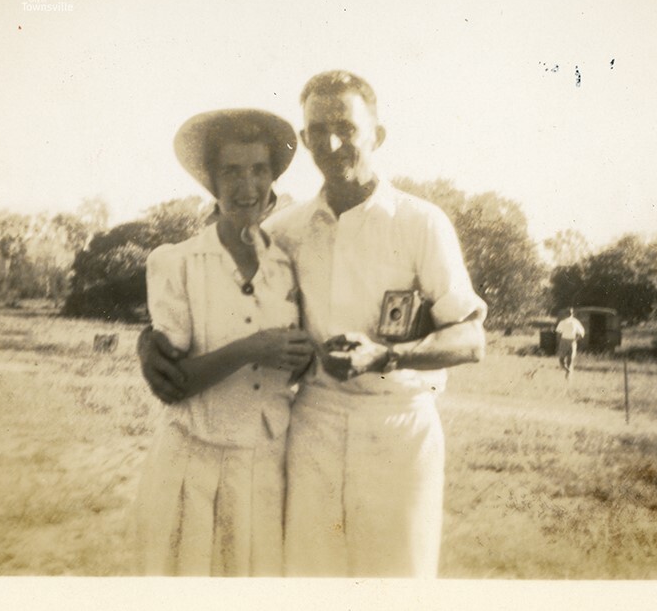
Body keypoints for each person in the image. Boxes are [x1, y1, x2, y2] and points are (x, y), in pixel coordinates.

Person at [139, 71, 486, 578]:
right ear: (304, 140)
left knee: (398, 584)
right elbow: (215, 277)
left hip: (397, 429)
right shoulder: (286, 230)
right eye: (318, 130)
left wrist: (387, 356)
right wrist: (148, 340)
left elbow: (471, 338)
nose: (332, 143)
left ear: (377, 135)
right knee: (307, 583)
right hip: (312, 429)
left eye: (346, 127)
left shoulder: (420, 222)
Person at [132, 108, 313, 576]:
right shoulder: (177, 262)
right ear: (212, 181)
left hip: (263, 466)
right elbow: (173, 384)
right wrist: (253, 348)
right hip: (192, 466)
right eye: (231, 171)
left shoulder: (287, 265)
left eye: (259, 170)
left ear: (272, 179)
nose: (246, 186)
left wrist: (301, 356)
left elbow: (297, 361)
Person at [555, 307, 586, 377]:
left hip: (567, 340)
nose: (569, 314)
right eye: (569, 312)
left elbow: (558, 334)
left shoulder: (566, 322)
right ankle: (568, 373)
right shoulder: (573, 322)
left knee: (564, 359)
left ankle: (568, 372)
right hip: (569, 341)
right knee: (567, 360)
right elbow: (582, 334)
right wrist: (576, 340)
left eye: (569, 313)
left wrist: (559, 342)